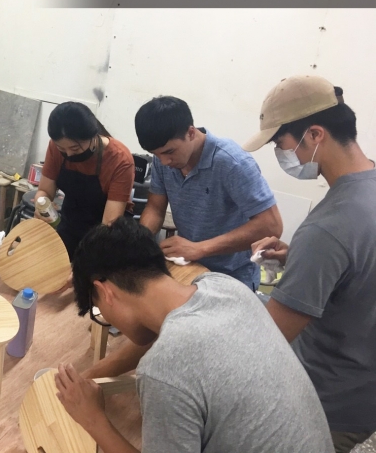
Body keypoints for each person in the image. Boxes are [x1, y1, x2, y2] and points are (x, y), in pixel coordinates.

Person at [55, 217, 333, 453]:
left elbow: (174, 358)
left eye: (98, 309)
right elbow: (175, 342)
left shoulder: (163, 368)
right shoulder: (224, 287)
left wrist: (93, 419)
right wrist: (97, 372)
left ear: (105, 291)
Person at [244, 76, 376, 452]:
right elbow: (361, 267)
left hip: (324, 402)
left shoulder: (329, 227)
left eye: (281, 144)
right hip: (364, 391)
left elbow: (271, 336)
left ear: (315, 134)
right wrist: (300, 259)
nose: (283, 156)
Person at [134, 96, 282, 290]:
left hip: (232, 276)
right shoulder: (164, 161)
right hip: (189, 267)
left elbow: (271, 225)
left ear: (191, 133)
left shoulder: (232, 162)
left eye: (169, 152)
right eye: (156, 154)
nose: (164, 162)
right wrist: (140, 244)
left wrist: (199, 248)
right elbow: (155, 208)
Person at [35, 102, 135, 258]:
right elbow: (44, 191)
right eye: (62, 149)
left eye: (75, 149)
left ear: (94, 136)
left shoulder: (119, 159)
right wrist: (41, 205)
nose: (68, 154)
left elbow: (109, 224)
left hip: (106, 234)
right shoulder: (55, 146)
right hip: (70, 223)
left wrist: (87, 261)